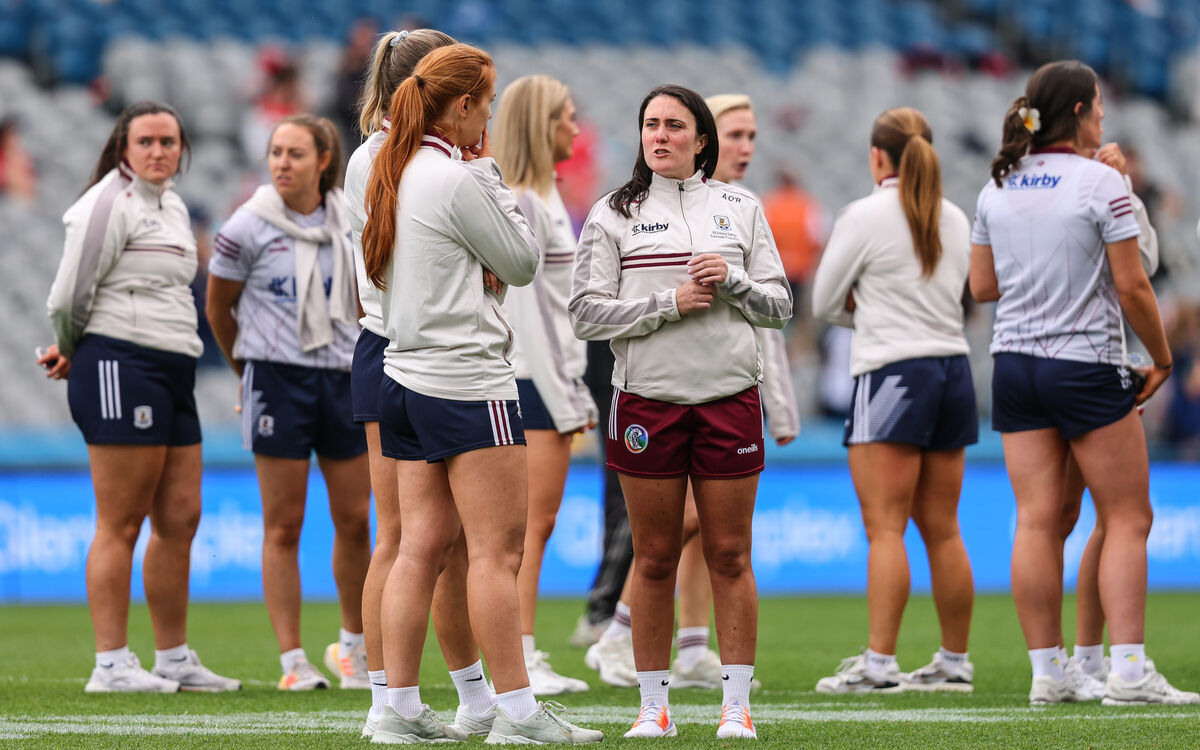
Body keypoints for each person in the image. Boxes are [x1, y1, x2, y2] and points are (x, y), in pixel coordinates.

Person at [361, 43, 601, 744]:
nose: (490, 114)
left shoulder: (390, 167)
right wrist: (491, 177)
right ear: (462, 104)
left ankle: (396, 708)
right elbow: (521, 263)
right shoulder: (459, 176)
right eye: (487, 101)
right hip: (469, 379)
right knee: (499, 554)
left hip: (402, 373)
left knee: (416, 548)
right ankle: (518, 714)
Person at [969, 59, 1198, 706]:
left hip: (1014, 365)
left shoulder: (998, 185)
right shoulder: (1101, 182)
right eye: (1097, 105)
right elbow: (1134, 282)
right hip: (1087, 364)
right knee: (1128, 517)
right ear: (1077, 113)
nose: (1104, 116)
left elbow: (983, 287)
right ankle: (1127, 671)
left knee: (1039, 521)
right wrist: (1162, 357)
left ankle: (1049, 672)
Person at [570, 83, 791, 739]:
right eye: (649, 125)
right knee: (655, 557)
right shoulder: (613, 213)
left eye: (672, 125)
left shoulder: (741, 207)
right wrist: (668, 302)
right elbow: (584, 314)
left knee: (729, 554)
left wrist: (735, 281)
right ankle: (651, 708)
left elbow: (779, 306)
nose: (659, 136)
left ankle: (736, 708)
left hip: (729, 401)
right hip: (647, 406)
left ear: (701, 139)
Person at [40, 100, 240, 693]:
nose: (158, 151)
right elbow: (66, 295)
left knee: (180, 516)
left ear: (182, 150)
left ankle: (173, 658)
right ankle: (111, 664)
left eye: (169, 142)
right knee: (121, 521)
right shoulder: (107, 203)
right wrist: (71, 345)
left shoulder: (173, 206)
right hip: (119, 363)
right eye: (146, 141)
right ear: (123, 148)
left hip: (173, 369)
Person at [344, 26, 501, 741]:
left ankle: (455, 697)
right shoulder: (401, 159)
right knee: (411, 539)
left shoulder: (386, 156)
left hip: (392, 345)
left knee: (439, 542)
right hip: (406, 347)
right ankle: (391, 697)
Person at [810, 107, 977, 694]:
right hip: (953, 372)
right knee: (944, 529)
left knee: (885, 529)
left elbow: (825, 303)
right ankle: (954, 662)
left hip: (891, 374)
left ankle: (880, 665)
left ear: (878, 156)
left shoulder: (864, 215)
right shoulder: (955, 217)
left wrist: (868, 308)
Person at [206, 114, 372, 692]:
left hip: (344, 377)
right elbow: (218, 309)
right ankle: (292, 660)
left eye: (295, 153)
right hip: (276, 378)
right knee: (285, 523)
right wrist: (246, 370)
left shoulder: (351, 218)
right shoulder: (246, 225)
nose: (281, 163)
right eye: (276, 151)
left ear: (324, 161)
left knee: (354, 519)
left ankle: (352, 647)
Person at [493, 74, 597, 696]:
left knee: (534, 524)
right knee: (527, 527)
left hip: (547, 378)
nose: (576, 129)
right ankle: (521, 657)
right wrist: (571, 394)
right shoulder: (528, 201)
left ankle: (522, 652)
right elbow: (534, 318)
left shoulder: (545, 196)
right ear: (540, 124)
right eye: (566, 117)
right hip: (534, 381)